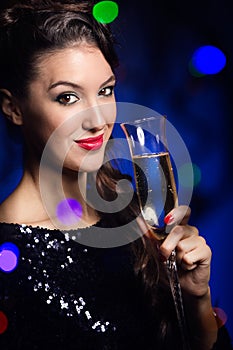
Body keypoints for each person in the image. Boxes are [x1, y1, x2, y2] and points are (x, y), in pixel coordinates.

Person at [0, 0, 232, 349]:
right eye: (67, 97)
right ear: (13, 107)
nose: (97, 120)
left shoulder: (131, 208)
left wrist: (195, 298)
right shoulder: (7, 257)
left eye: (105, 90)